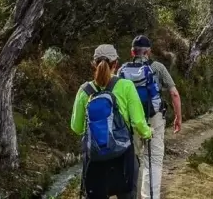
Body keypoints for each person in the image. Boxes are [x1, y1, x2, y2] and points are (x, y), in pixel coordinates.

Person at [70, 44, 152, 199]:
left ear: (93, 64)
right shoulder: (126, 86)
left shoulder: (84, 90)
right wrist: (148, 132)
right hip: (123, 158)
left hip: (95, 160)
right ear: (116, 64)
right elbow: (138, 122)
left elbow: (76, 127)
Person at [118, 35, 182, 199]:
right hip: (154, 118)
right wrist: (178, 117)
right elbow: (174, 93)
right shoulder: (158, 67)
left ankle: (135, 195)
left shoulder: (122, 70)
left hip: (132, 121)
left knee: (135, 159)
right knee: (153, 159)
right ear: (149, 52)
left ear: (133, 51)